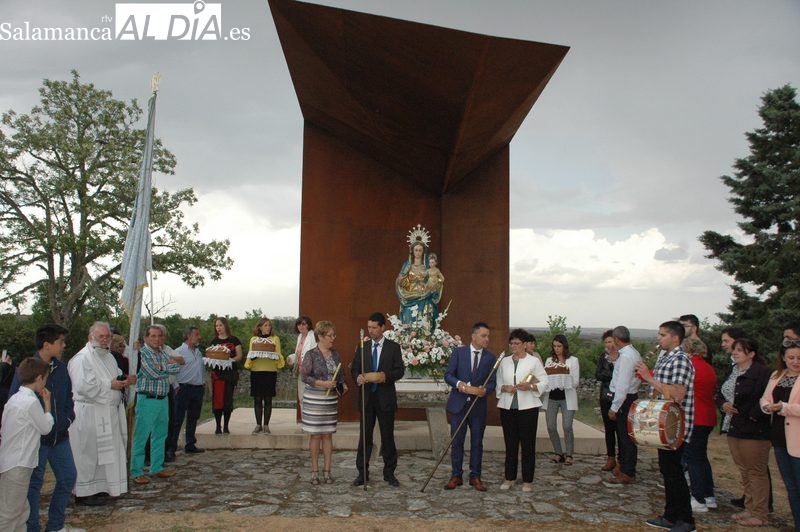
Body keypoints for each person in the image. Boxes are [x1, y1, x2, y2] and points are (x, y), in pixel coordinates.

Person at [9, 324, 80, 532]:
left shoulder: (61, 368)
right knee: (34, 485)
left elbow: (68, 398)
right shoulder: (28, 368)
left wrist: (66, 420)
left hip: (60, 437)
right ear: (47, 344)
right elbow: (17, 401)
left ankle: (55, 526)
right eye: (61, 342)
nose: (64, 345)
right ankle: (31, 528)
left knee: (68, 477)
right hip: (37, 440)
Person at [636, 321, 695, 532]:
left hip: (675, 426)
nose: (658, 338)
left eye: (662, 335)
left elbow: (678, 393)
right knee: (667, 470)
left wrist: (649, 378)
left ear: (675, 338)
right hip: (664, 425)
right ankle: (671, 516)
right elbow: (661, 389)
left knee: (674, 472)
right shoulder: (665, 358)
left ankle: (686, 520)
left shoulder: (680, 360)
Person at [68, 321, 135, 506]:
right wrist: (110, 385)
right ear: (91, 337)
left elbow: (116, 375)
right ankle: (83, 493)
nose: (105, 340)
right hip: (90, 413)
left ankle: (101, 488)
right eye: (101, 337)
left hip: (107, 413)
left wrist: (124, 380)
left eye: (107, 337)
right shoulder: (82, 359)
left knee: (105, 454)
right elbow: (83, 386)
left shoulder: (109, 357)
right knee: (88, 454)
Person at [717, 338, 771, 527]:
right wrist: (722, 404)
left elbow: (764, 398)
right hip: (733, 426)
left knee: (756, 471)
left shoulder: (763, 373)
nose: (735, 352)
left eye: (740, 350)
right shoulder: (733, 370)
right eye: (735, 350)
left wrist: (751, 416)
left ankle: (760, 513)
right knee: (744, 470)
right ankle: (749, 507)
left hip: (753, 429)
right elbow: (721, 392)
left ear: (751, 354)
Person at [351, 312, 405, 487]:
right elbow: (355, 369)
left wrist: (385, 376)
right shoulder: (362, 347)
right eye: (369, 327)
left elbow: (400, 370)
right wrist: (358, 377)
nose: (371, 330)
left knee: (387, 437)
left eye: (374, 327)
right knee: (364, 437)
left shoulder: (393, 348)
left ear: (383, 327)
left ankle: (389, 473)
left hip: (385, 399)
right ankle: (362, 473)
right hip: (367, 398)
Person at [0, 358, 53, 532]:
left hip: (11, 460)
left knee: (22, 511)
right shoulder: (30, 402)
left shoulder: (15, 398)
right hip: (19, 463)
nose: (45, 382)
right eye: (45, 378)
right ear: (39, 379)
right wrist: (47, 406)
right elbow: (45, 428)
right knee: (9, 514)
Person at [443, 322, 497, 491]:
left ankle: (475, 476)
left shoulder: (491, 358)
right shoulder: (459, 353)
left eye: (488, 336)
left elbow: (493, 382)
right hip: (459, 405)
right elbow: (448, 375)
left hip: (478, 407)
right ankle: (456, 475)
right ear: (473, 336)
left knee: (476, 443)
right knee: (457, 441)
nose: (486, 339)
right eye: (483, 336)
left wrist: (485, 390)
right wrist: (460, 384)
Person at [496, 328, 548, 492]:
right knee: (510, 444)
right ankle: (509, 477)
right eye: (511, 343)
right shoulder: (505, 361)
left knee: (527, 445)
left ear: (525, 345)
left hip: (528, 408)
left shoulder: (533, 362)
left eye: (517, 343)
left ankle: (527, 480)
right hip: (508, 407)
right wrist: (504, 388)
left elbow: (545, 381)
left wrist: (530, 386)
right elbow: (498, 382)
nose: (513, 346)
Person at [130, 325, 182, 485]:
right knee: (141, 436)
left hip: (163, 398)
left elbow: (177, 368)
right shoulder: (142, 354)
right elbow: (152, 372)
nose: (157, 339)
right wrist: (166, 368)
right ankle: (136, 471)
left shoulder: (163, 353)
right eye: (153, 336)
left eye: (159, 336)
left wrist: (163, 368)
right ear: (145, 338)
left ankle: (156, 467)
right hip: (147, 399)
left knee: (160, 435)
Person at [300, 321, 347, 485]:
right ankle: (314, 472)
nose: (333, 338)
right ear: (320, 336)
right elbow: (304, 377)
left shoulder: (336, 355)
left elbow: (341, 377)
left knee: (327, 434)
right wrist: (322, 384)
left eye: (334, 335)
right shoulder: (311, 354)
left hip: (330, 400)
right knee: (316, 435)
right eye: (330, 335)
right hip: (314, 399)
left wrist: (342, 386)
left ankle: (327, 471)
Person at [761, 339, 800, 530]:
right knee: (791, 487)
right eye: (791, 357)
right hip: (779, 436)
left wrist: (784, 407)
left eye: (799, 358)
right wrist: (767, 406)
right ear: (783, 358)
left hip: (797, 438)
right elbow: (765, 397)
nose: (795, 361)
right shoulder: (777, 376)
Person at [681, 337, 718, 512]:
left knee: (692, 459)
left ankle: (698, 498)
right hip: (707, 417)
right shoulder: (708, 367)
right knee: (701, 458)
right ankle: (709, 495)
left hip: (695, 417)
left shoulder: (690, 366)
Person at [606, 325, 642, 484]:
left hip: (625, 398)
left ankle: (628, 470)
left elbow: (623, 385)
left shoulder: (627, 356)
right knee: (623, 435)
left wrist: (614, 407)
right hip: (627, 397)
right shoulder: (632, 353)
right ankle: (623, 466)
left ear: (617, 340)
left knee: (625, 436)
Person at [543, 334, 580, 466]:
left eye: (559, 346)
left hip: (567, 398)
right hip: (552, 398)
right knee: (551, 426)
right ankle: (558, 452)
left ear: (564, 346)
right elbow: (545, 379)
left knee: (567, 426)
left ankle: (569, 454)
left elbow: (575, 382)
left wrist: (563, 378)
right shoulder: (549, 361)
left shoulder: (573, 361)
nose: (557, 348)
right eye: (554, 346)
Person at [170, 326, 206, 455]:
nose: (199, 337)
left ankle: (190, 444)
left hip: (197, 389)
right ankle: (171, 447)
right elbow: (171, 371)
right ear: (188, 336)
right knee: (177, 419)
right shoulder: (178, 352)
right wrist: (176, 386)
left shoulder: (198, 352)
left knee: (193, 417)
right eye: (197, 334)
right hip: (183, 388)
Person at [247, 318, 285, 434]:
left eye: (269, 325)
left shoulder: (275, 339)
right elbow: (250, 355)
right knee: (257, 399)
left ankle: (266, 425)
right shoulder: (254, 339)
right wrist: (254, 356)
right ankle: (258, 425)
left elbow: (278, 354)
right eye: (265, 325)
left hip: (270, 372)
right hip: (256, 371)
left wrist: (273, 356)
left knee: (268, 399)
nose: (268, 327)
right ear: (259, 327)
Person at [209, 317, 243, 434]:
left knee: (227, 401)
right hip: (218, 375)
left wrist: (230, 360)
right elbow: (210, 356)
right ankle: (218, 426)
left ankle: (226, 426)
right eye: (216, 326)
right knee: (218, 401)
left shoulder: (234, 340)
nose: (218, 328)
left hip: (230, 374)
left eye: (220, 325)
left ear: (226, 326)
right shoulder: (214, 342)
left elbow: (239, 356)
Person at [396, 240, 440, 327]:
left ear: (423, 251)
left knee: (423, 322)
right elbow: (400, 280)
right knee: (408, 320)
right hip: (408, 297)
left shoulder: (428, 265)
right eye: (416, 250)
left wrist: (429, 291)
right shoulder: (407, 265)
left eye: (420, 250)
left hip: (423, 298)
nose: (418, 252)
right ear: (412, 251)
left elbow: (434, 281)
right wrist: (401, 280)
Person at [595, 329, 619, 473]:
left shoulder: (623, 356)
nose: (609, 344)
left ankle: (623, 460)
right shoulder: (603, 357)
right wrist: (611, 372)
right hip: (606, 395)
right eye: (606, 342)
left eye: (610, 341)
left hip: (621, 396)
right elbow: (598, 374)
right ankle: (610, 457)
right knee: (608, 429)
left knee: (621, 429)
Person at [287, 315, 316, 405]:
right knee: (302, 398)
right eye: (298, 324)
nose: (300, 326)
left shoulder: (313, 336)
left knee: (311, 397)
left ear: (308, 325)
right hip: (301, 372)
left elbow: (316, 354)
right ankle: (305, 419)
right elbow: (300, 353)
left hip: (312, 373)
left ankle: (311, 418)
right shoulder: (300, 337)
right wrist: (292, 358)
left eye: (303, 324)